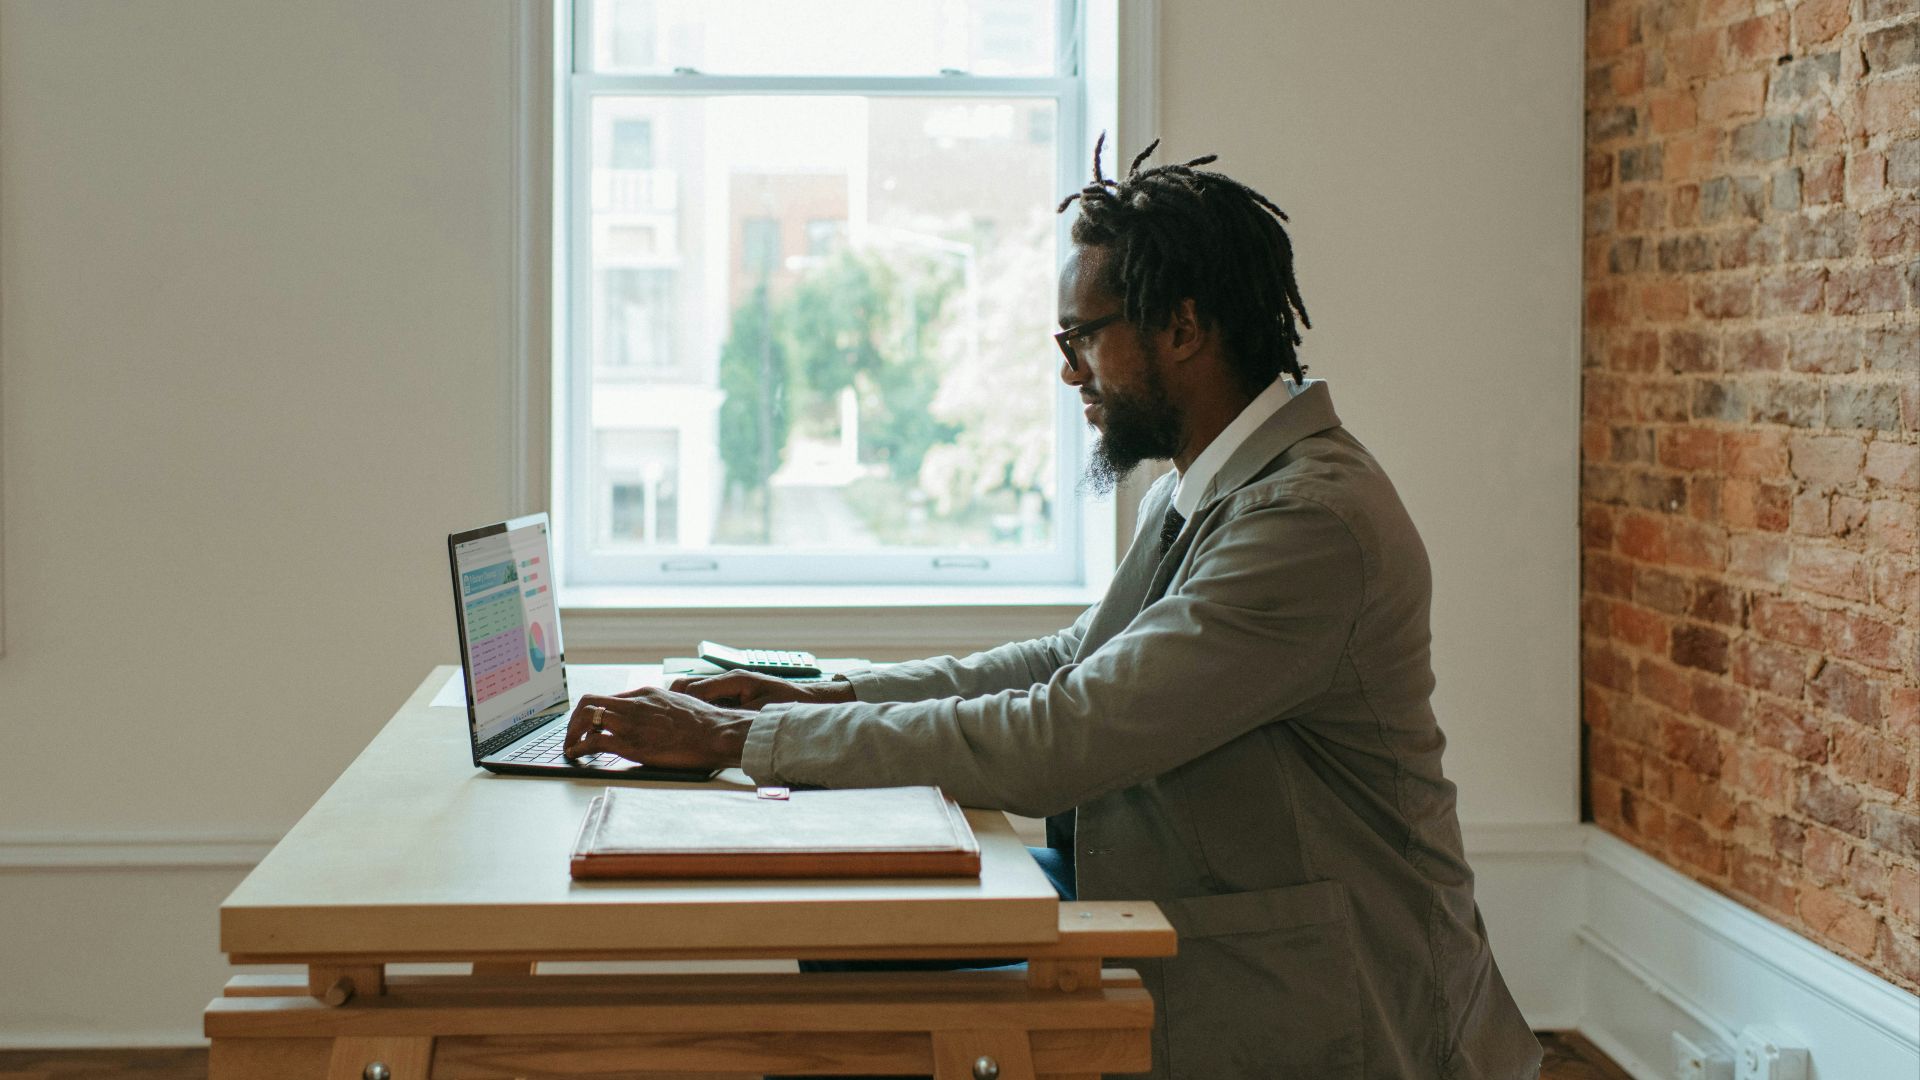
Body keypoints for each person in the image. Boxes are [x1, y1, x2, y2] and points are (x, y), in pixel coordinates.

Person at [565, 137, 1542, 1080]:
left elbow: (1062, 736)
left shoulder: (1308, 523)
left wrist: (738, 746)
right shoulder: (1207, 486)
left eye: (1083, 337)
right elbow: (1068, 661)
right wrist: (793, 699)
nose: (1070, 370)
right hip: (1182, 911)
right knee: (847, 968)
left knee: (845, 1021)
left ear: (1185, 328)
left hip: (1330, 999)